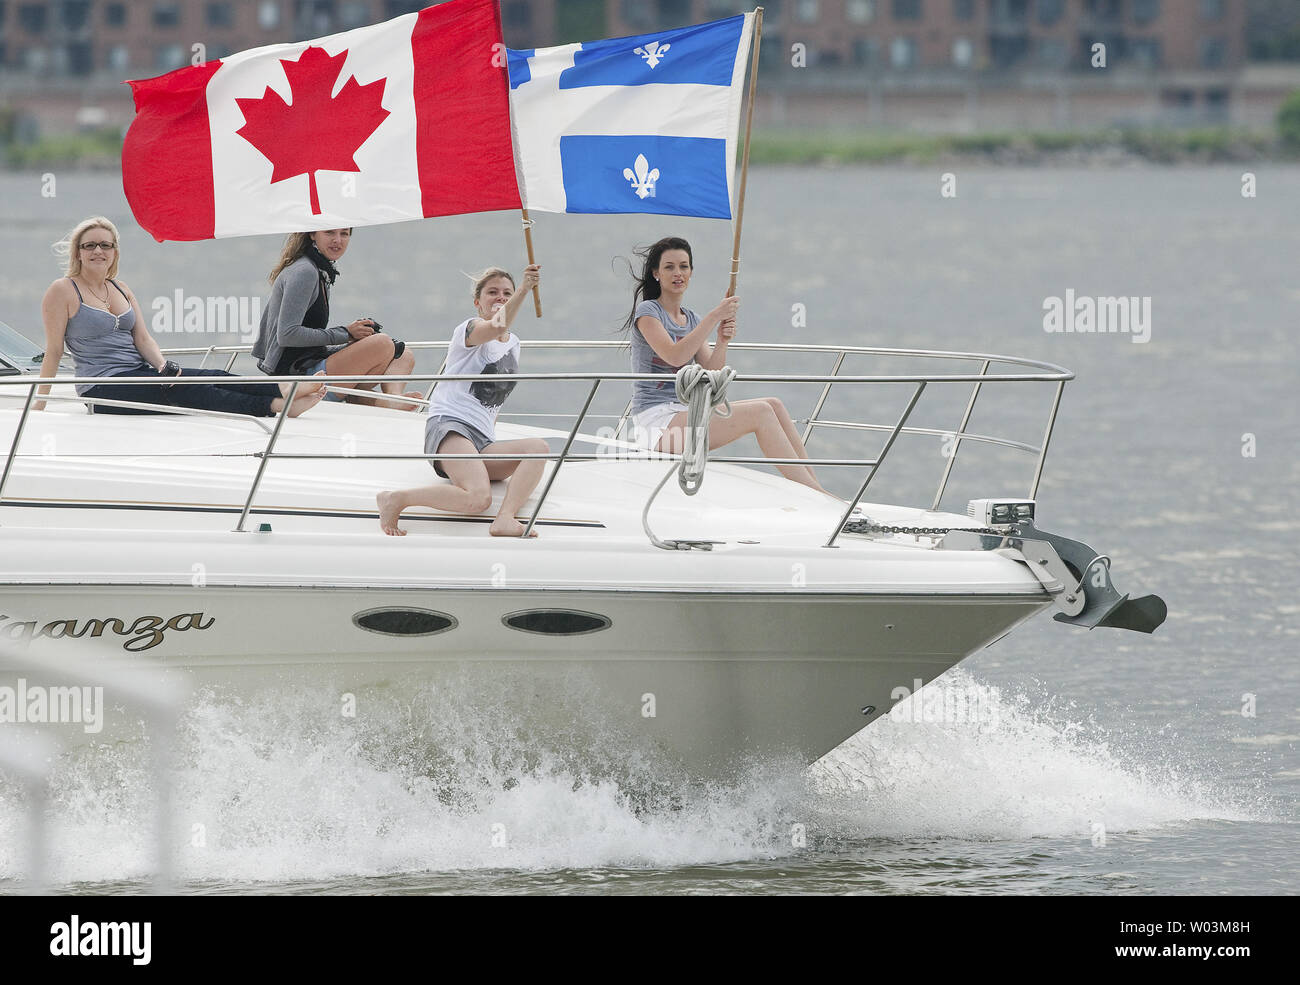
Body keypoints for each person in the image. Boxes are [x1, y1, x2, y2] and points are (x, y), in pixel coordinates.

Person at [35, 216, 323, 417]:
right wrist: (39, 406)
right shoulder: (62, 290)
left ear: (114, 252)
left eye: (105, 245)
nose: (98, 250)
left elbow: (143, 338)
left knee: (212, 376)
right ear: (79, 252)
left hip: (140, 375)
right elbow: (54, 352)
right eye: (90, 245)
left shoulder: (120, 288)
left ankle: (280, 389)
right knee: (184, 392)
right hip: (101, 387)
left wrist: (163, 367)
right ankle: (275, 405)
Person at [624, 236, 827, 493]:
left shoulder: (692, 318)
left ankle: (815, 489)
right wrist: (714, 317)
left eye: (684, 266)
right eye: (669, 267)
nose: (678, 273)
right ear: (656, 274)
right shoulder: (648, 312)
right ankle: (816, 494)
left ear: (691, 272)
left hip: (685, 414)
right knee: (761, 412)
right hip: (655, 425)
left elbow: (711, 374)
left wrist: (721, 340)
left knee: (774, 404)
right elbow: (674, 356)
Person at [377, 264, 547, 537]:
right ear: (478, 302)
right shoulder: (469, 328)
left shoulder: (514, 343)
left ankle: (505, 518)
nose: (500, 297)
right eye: (492, 292)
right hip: (451, 426)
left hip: (483, 439)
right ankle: (396, 498)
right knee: (479, 499)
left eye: (506, 292)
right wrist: (525, 288)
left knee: (538, 448)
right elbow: (496, 325)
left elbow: (495, 398)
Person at [253, 227, 421, 410]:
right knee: (382, 343)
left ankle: (391, 398)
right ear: (312, 234)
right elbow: (287, 335)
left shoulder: (318, 270)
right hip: (298, 378)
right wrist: (346, 333)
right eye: (329, 233)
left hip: (312, 363)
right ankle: (371, 399)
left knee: (403, 353)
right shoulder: (305, 272)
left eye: (344, 234)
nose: (337, 240)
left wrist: (354, 337)